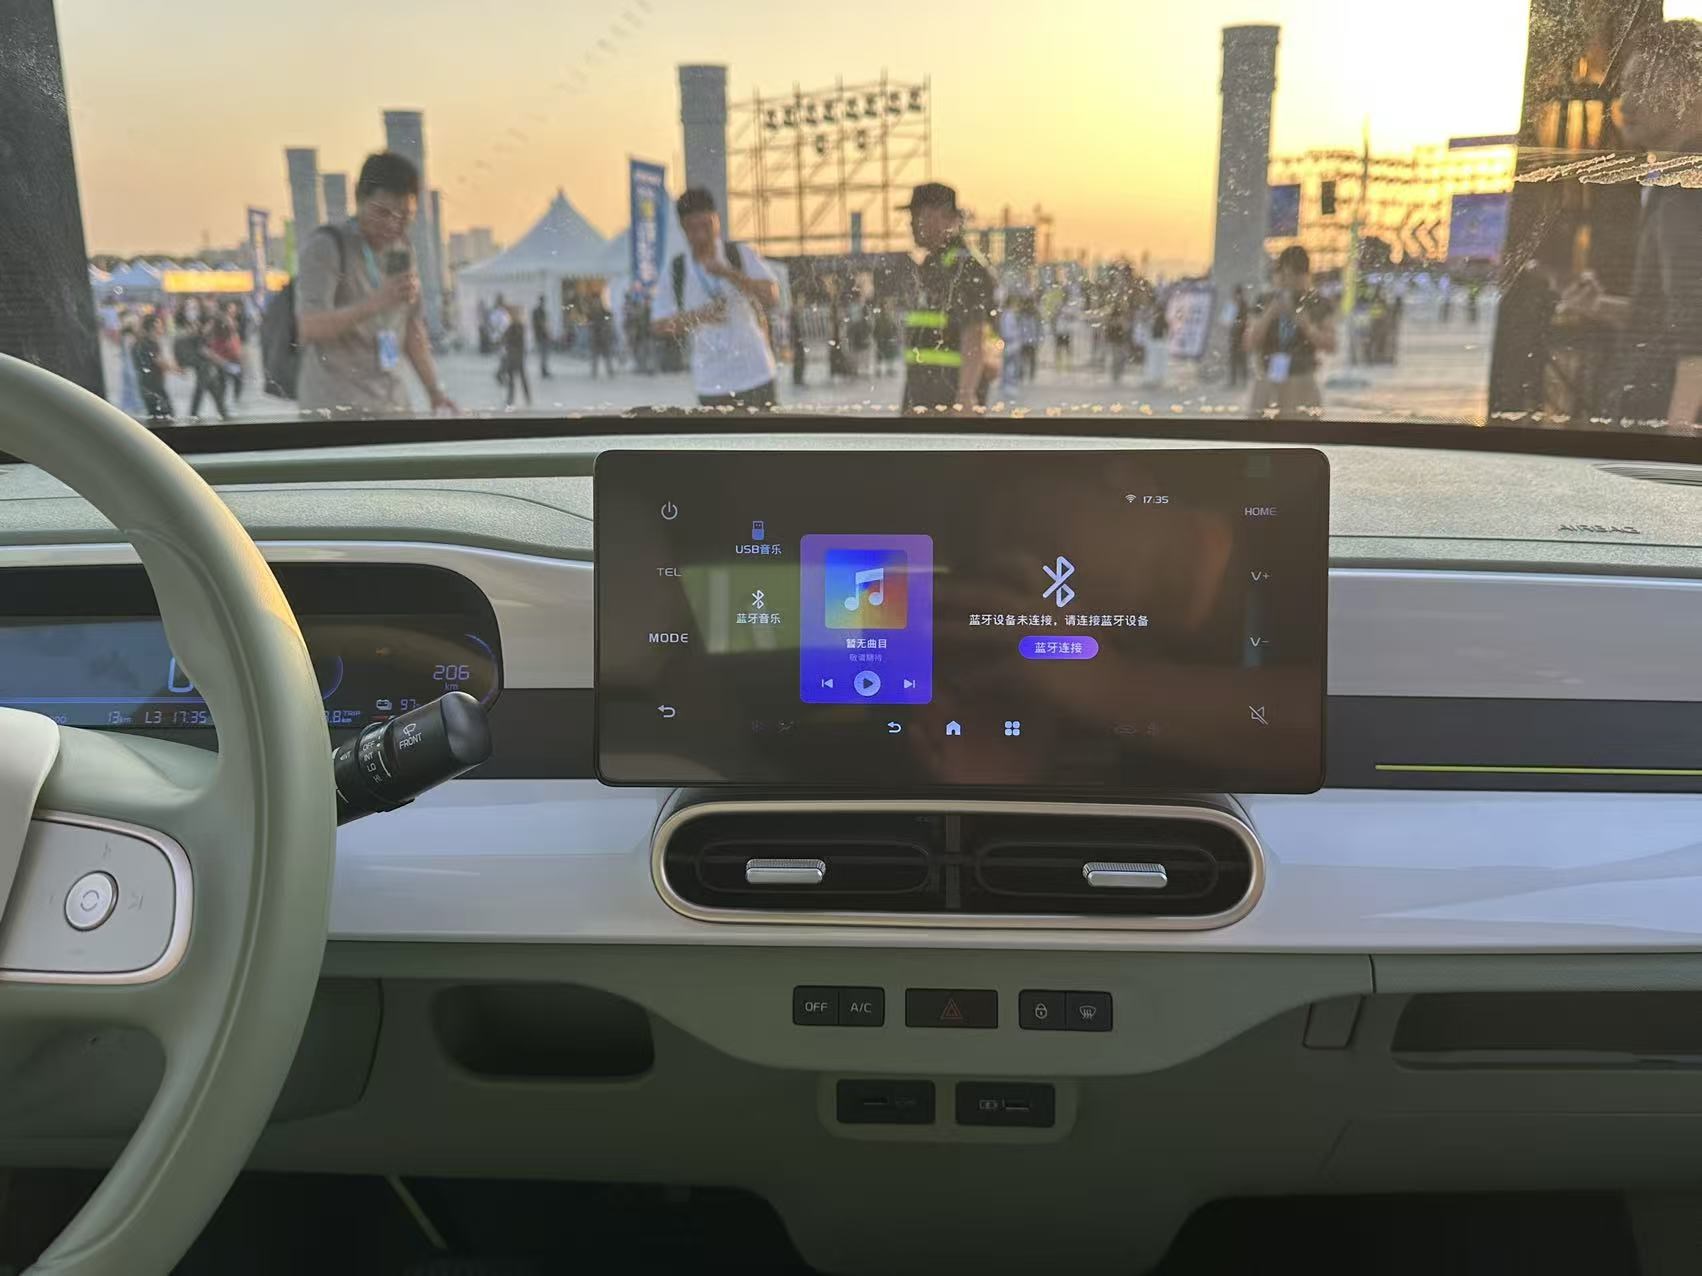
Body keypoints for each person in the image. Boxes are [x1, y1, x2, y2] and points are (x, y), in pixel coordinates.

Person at [1556, 19, 1702, 429]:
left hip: (1656, 435)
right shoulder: (1671, 184)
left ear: (1690, 90)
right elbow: (1668, 322)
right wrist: (1600, 306)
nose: (1625, 101)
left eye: (1642, 83)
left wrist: (1674, 437)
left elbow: (1696, 341)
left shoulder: (1687, 192)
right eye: (1625, 87)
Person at [295, 151, 455, 417]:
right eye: (382, 213)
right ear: (359, 198)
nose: (392, 224)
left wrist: (434, 391)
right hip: (336, 409)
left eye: (405, 216)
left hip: (390, 404)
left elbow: (412, 326)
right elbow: (308, 327)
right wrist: (376, 303)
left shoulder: (401, 251)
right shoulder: (327, 246)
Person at [652, 188, 782, 409]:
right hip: (711, 383)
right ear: (683, 228)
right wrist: (699, 316)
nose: (701, 235)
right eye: (693, 228)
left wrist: (729, 273)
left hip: (756, 374)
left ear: (717, 220)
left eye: (706, 225)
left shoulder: (738, 254)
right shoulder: (677, 269)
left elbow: (771, 296)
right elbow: (658, 326)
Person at [899, 182, 996, 414]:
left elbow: (974, 332)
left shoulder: (964, 268)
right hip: (924, 397)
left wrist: (965, 396)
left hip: (947, 403)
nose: (911, 223)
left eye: (918, 215)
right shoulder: (934, 266)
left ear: (945, 218)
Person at [1245, 245, 1338, 420]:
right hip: (1268, 379)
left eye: (1295, 275)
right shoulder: (1264, 300)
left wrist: (1307, 326)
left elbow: (1331, 345)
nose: (1288, 281)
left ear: (1306, 275)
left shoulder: (1317, 303)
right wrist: (1269, 315)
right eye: (1283, 274)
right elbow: (1249, 343)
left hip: (1301, 379)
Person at [132, 311, 174, 421]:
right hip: (153, 386)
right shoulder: (148, 343)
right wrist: (175, 369)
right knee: (165, 415)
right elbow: (158, 361)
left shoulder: (141, 342)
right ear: (152, 328)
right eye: (159, 326)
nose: (162, 329)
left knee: (157, 416)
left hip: (149, 384)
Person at [501, 305, 531, 406]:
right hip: (514, 356)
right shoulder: (514, 327)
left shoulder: (517, 327)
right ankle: (513, 398)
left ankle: (520, 398)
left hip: (515, 356)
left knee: (519, 379)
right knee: (515, 379)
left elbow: (510, 340)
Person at [1227, 286, 1251, 387]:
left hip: (1242, 335)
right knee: (1233, 359)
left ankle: (1244, 382)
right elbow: (1227, 320)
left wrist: (1238, 324)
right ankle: (1233, 381)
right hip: (1233, 336)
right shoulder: (1232, 305)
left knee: (1243, 359)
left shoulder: (1244, 305)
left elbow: (1246, 320)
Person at [588, 299, 618, 379]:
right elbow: (590, 323)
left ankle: (610, 371)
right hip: (596, 337)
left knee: (607, 355)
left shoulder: (605, 312)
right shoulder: (593, 313)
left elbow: (609, 318)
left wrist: (605, 324)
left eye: (598, 303)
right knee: (595, 356)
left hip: (604, 337)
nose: (597, 305)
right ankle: (594, 371)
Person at [532, 294, 552, 378]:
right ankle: (543, 371)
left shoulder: (538, 311)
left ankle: (544, 370)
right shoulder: (539, 311)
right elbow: (542, 324)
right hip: (542, 336)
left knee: (543, 355)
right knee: (543, 354)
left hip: (540, 335)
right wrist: (547, 332)